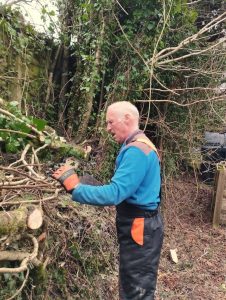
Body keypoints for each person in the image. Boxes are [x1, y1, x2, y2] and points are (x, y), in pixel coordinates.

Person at [52, 101, 164, 300]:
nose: (107, 128)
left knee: (136, 291)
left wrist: (77, 189)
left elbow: (114, 193)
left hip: (140, 228)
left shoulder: (136, 151)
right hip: (142, 227)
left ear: (127, 119)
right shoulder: (139, 145)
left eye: (110, 122)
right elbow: (126, 188)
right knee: (135, 284)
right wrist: (87, 184)